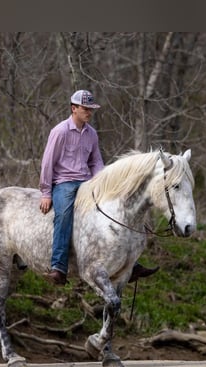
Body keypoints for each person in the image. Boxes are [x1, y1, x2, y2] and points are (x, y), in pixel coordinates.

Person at [39, 89, 158, 286]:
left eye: (91, 109)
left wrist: (103, 184)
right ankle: (58, 267)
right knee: (64, 215)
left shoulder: (91, 134)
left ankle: (130, 263)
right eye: (85, 109)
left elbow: (96, 162)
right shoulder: (59, 131)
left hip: (87, 182)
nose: (89, 112)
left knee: (115, 210)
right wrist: (46, 192)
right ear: (73, 108)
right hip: (64, 183)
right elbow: (47, 163)